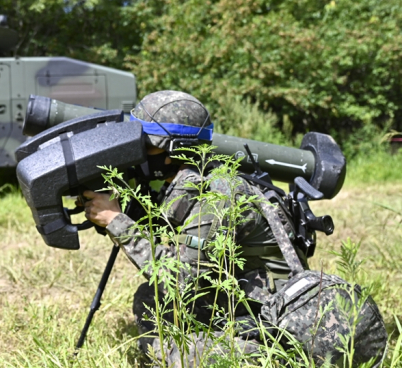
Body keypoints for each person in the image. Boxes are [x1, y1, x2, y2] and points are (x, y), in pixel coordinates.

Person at [82, 90, 307, 366]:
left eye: (144, 145)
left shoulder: (217, 195)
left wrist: (116, 221)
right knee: (149, 299)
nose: (136, 154)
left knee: (175, 351)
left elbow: (178, 283)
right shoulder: (198, 178)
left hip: (277, 320)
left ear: (173, 151)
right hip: (244, 296)